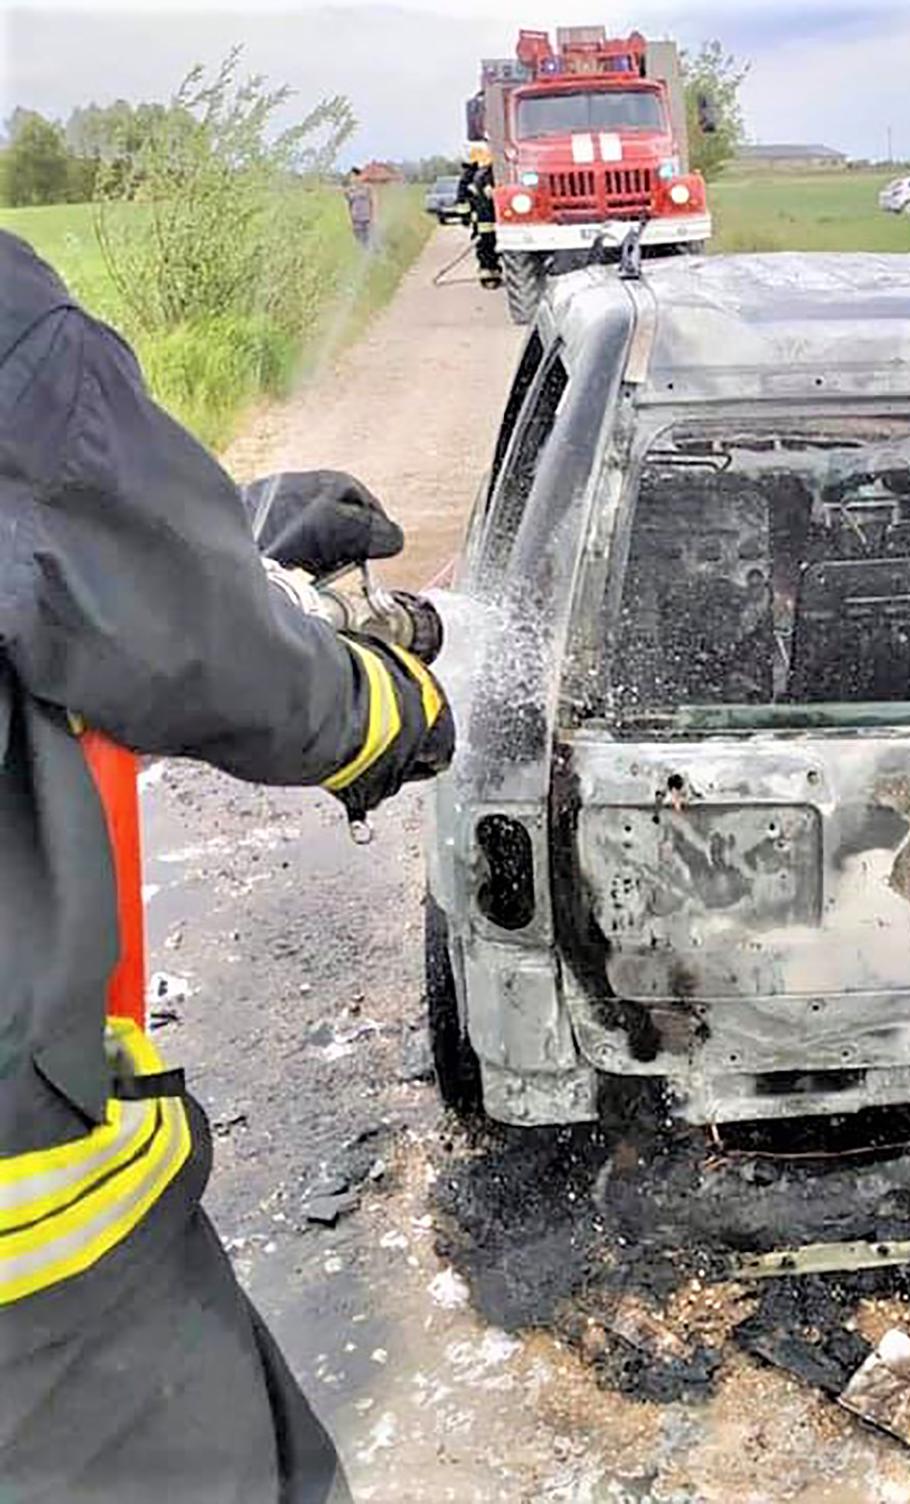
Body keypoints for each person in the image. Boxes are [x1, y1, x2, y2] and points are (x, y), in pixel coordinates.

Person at [0, 230, 453, 1501]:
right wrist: (389, 708)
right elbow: (206, 658)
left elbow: (63, 572)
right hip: (40, 1317)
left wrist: (212, 541)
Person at [455, 142, 499, 288]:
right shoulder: (484, 174)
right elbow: (462, 200)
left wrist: (465, 217)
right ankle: (489, 273)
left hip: (484, 220)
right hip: (486, 219)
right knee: (488, 246)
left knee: (486, 246)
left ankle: (490, 273)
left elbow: (462, 199)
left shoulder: (473, 177)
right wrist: (465, 215)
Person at [344, 171, 375, 248]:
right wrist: (349, 220)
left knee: (369, 240)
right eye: (352, 177)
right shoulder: (349, 191)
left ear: (360, 177)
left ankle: (370, 256)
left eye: (356, 176)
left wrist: (373, 217)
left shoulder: (367, 188)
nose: (354, 179)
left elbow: (373, 203)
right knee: (359, 241)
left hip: (367, 219)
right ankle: (363, 255)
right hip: (356, 220)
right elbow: (347, 206)